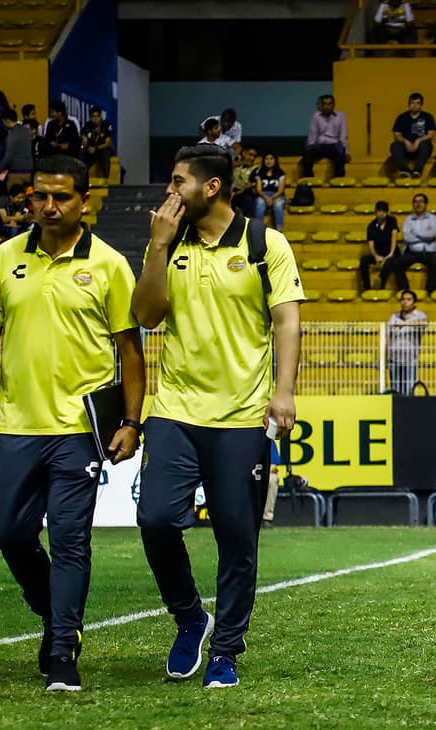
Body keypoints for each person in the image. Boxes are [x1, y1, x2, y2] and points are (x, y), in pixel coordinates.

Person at [0, 154, 146, 692]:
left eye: (61, 197)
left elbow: (130, 351)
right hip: (15, 425)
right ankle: (51, 611)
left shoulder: (109, 264)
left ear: (84, 201)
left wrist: (131, 421)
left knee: (69, 541)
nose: (48, 206)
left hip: (78, 431)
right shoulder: (5, 258)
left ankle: (63, 647)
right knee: (9, 533)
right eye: (39, 196)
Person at [133, 144, 305, 689]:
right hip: (174, 410)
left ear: (210, 187)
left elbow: (287, 321)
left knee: (237, 539)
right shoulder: (168, 242)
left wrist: (284, 392)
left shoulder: (264, 244)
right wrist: (158, 247)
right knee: (155, 520)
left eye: (177, 182)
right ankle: (190, 617)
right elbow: (146, 315)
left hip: (241, 416)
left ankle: (226, 649)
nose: (169, 192)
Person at [392, 192, 436, 293]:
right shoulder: (408, 219)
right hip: (412, 252)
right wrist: (424, 236)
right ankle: (405, 291)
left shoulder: (433, 218)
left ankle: (429, 291)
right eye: (415, 202)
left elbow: (431, 235)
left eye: (421, 201)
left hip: (428, 251)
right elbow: (407, 238)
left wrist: (415, 233)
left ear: (426, 204)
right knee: (396, 264)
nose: (418, 204)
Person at [387, 289, 428, 395]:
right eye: (403, 299)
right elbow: (388, 336)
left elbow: (424, 323)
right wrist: (385, 356)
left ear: (415, 303)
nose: (405, 302)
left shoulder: (420, 315)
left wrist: (405, 323)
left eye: (409, 299)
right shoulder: (394, 317)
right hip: (394, 359)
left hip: (410, 359)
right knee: (395, 390)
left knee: (408, 390)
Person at [0, 108, 33, 200]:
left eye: (3, 121)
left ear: (7, 120)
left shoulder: (12, 135)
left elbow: (8, 157)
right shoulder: (25, 131)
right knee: (27, 200)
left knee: (14, 200)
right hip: (29, 173)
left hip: (16, 174)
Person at [302, 94, 350, 180]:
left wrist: (346, 152)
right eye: (324, 104)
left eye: (329, 104)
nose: (327, 107)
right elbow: (312, 135)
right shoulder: (316, 116)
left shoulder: (341, 116)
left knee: (340, 152)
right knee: (307, 153)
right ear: (322, 105)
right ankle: (309, 179)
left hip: (334, 144)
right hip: (320, 145)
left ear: (333, 105)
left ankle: (338, 179)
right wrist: (309, 149)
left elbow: (343, 136)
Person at [390, 92, 436, 179]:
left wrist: (418, 141)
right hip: (406, 148)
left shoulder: (427, 117)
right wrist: (406, 141)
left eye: (417, 103)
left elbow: (431, 134)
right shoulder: (402, 117)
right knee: (394, 146)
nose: (415, 105)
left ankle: (417, 171)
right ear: (408, 104)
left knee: (425, 144)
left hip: (421, 149)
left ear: (421, 105)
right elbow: (396, 135)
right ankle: (405, 171)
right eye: (412, 103)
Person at [359, 200, 399, 291]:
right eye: (379, 211)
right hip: (379, 254)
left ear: (387, 212)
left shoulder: (392, 220)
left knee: (389, 262)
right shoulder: (371, 226)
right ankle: (367, 288)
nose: (381, 213)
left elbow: (394, 237)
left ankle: (380, 283)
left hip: (392, 253)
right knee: (364, 260)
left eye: (384, 211)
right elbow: (371, 244)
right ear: (375, 212)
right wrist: (375, 256)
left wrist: (391, 253)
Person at [252, 152, 287, 229]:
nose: (268, 161)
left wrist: (272, 198)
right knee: (259, 204)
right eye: (266, 159)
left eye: (271, 159)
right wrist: (266, 197)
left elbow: (281, 190)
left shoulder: (281, 173)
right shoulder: (259, 173)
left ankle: (279, 228)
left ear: (275, 160)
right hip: (263, 195)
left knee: (278, 205)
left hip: (278, 195)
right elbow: (259, 189)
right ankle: (259, 229)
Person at [80, 107, 114, 179]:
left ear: (100, 116)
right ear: (90, 117)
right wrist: (88, 147)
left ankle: (106, 179)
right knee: (82, 150)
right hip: (91, 148)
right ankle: (82, 176)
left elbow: (108, 143)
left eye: (97, 116)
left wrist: (96, 148)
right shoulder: (87, 125)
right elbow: (84, 141)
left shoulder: (106, 126)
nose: (95, 119)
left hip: (103, 148)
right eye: (93, 117)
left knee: (105, 153)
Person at [229, 146, 260, 217]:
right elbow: (227, 165)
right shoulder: (237, 160)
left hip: (244, 192)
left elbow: (252, 184)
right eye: (250, 155)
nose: (252, 158)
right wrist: (243, 162)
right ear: (244, 153)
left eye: (254, 156)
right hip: (230, 191)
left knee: (247, 200)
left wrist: (241, 191)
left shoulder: (255, 168)